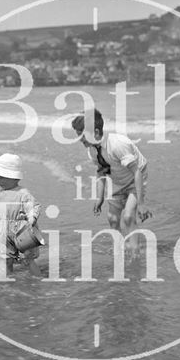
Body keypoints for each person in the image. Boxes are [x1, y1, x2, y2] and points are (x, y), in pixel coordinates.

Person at [71, 109, 152, 257]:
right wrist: (100, 197)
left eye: (81, 135)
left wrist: (141, 203)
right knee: (112, 218)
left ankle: (135, 253)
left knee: (128, 217)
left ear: (95, 132)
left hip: (136, 177)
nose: (80, 140)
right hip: (118, 178)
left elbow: (137, 172)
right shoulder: (93, 151)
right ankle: (121, 249)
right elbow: (102, 171)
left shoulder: (117, 145)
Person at [0, 153, 41, 276]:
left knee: (28, 259)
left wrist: (32, 218)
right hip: (5, 232)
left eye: (3, 177)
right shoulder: (0, 194)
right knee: (6, 259)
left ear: (15, 178)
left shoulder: (23, 193)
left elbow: (34, 206)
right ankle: (9, 281)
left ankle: (37, 280)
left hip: (23, 230)